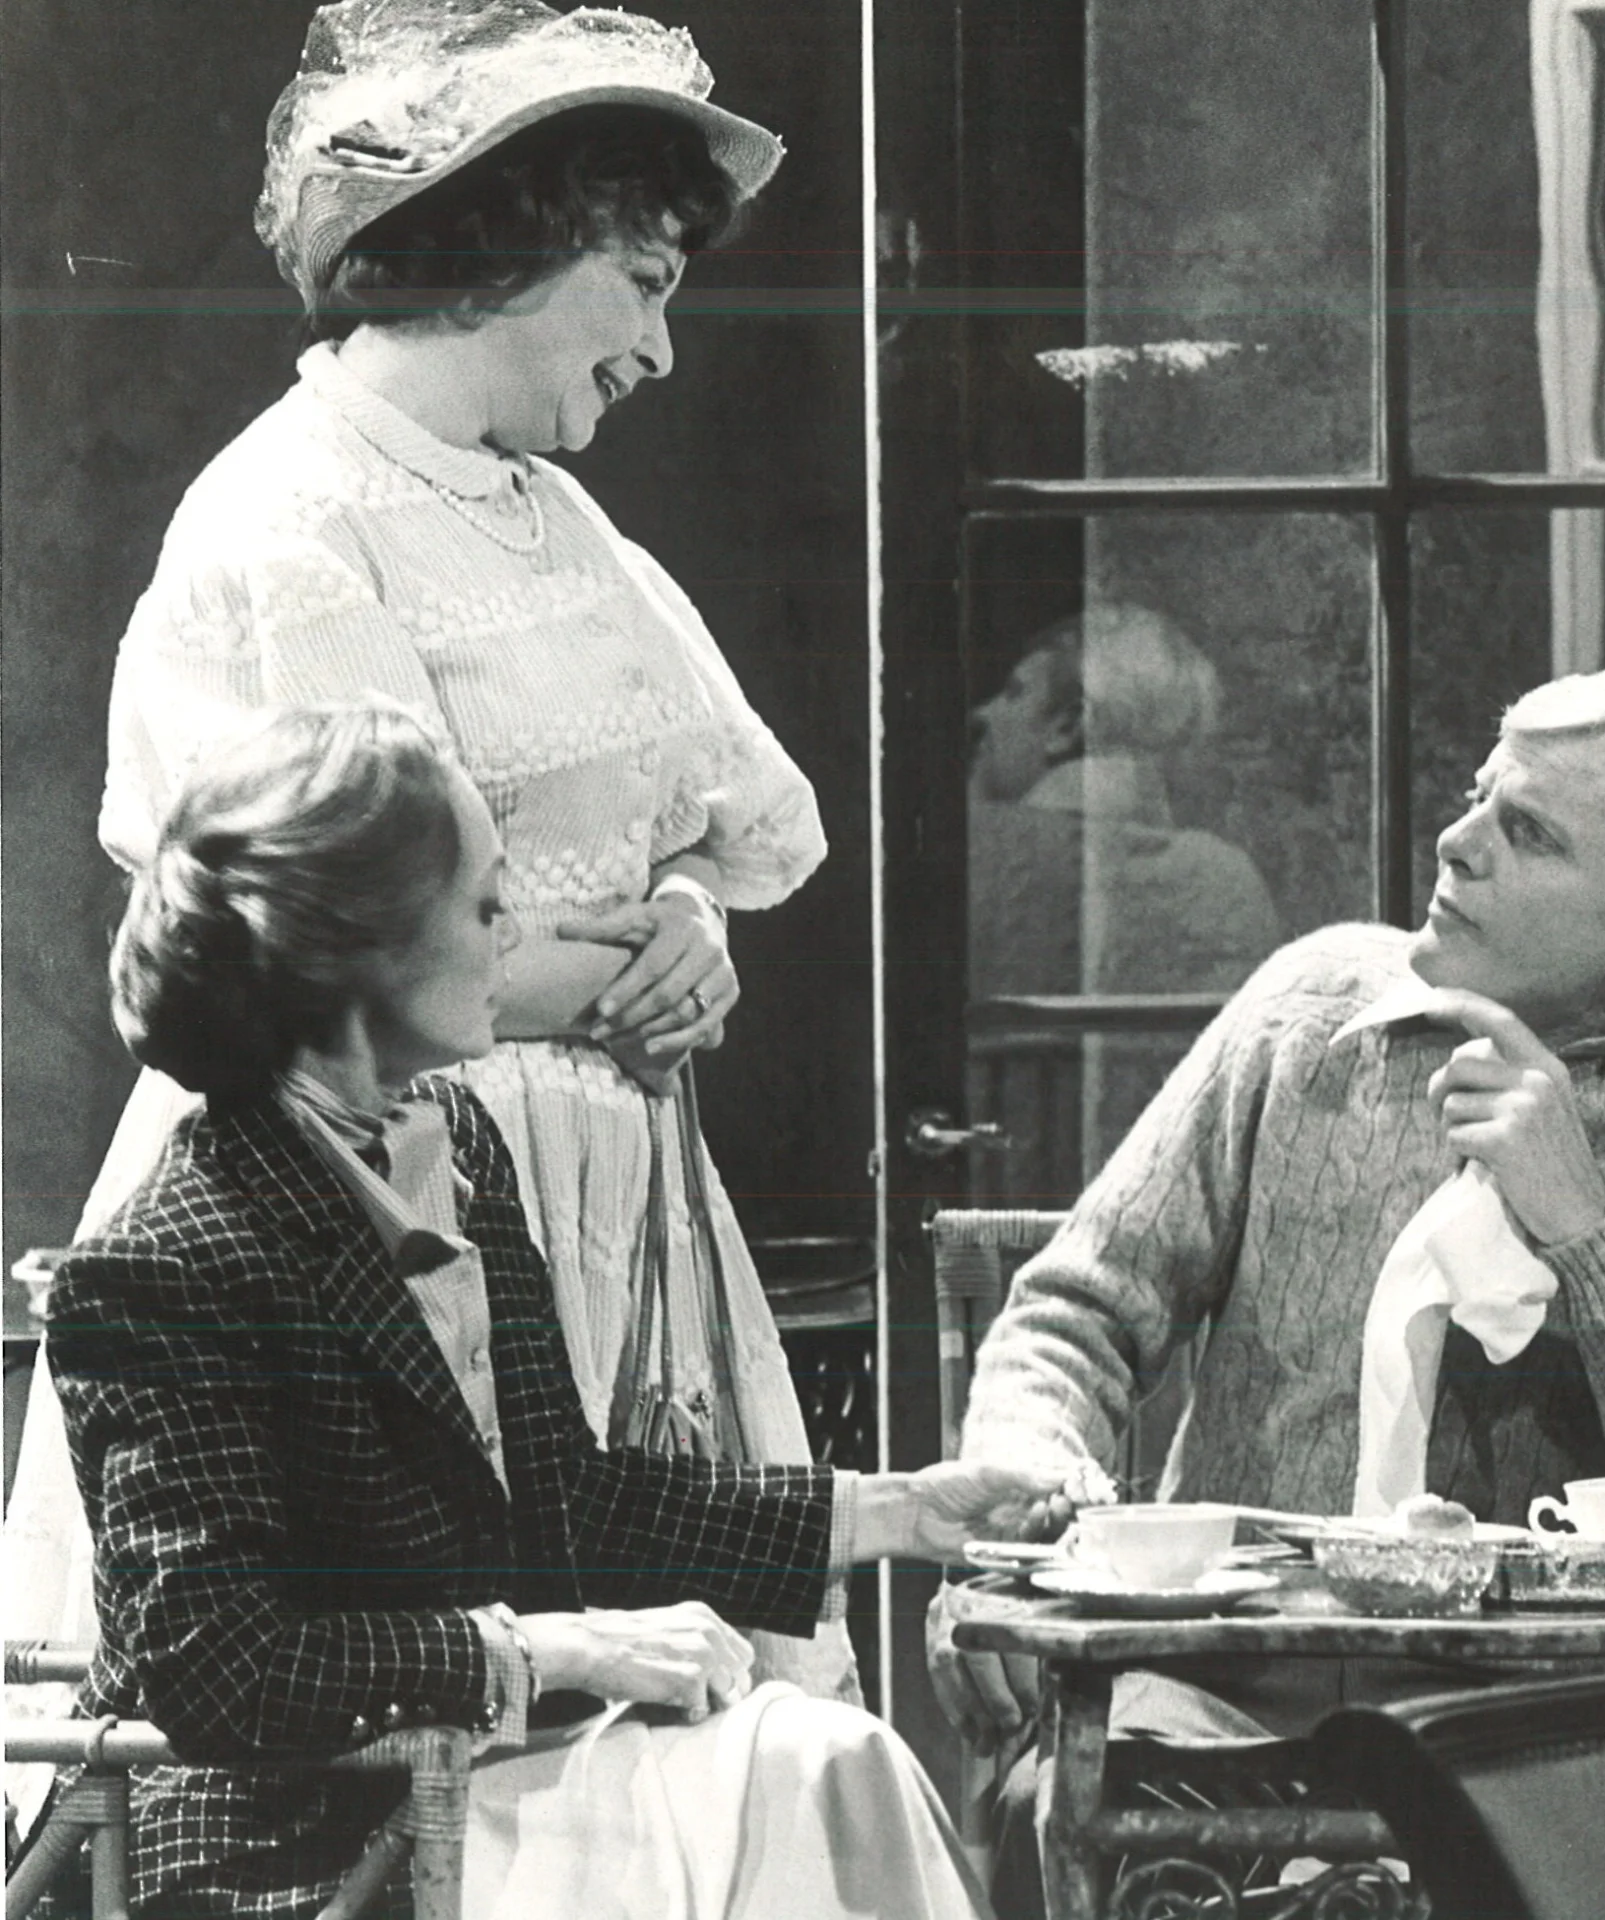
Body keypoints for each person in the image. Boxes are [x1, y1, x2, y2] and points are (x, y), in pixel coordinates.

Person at [38, 0, 854, 1701]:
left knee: (686, 1677)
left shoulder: (554, 515)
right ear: (526, 240)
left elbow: (722, 812)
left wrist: (695, 908)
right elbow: (352, 934)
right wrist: (640, 963)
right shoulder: (294, 515)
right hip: (379, 1167)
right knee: (457, 1693)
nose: (660, 350)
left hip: (612, 1186)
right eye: (644, 284)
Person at [46, 703, 1057, 1919]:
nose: (512, 933)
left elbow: (563, 1497)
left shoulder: (456, 1144)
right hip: (300, 1842)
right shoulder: (167, 1263)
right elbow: (215, 1664)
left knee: (833, 1764)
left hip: (488, 1779)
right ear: (360, 951)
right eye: (481, 906)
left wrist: (905, 1510)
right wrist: (550, 1652)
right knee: (788, 1785)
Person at [930, 668, 1605, 1914]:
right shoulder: (1310, 1010)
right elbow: (1074, 1317)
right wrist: (1016, 1538)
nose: (1456, 842)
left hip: (1564, 1747)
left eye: (1524, 833)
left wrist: (1587, 1224)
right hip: (1222, 1709)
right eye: (1480, 798)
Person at [968, 603, 1281, 999]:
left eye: (1013, 694)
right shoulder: (1229, 881)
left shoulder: (979, 859)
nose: (984, 712)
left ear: (1067, 727)